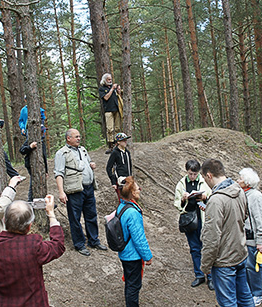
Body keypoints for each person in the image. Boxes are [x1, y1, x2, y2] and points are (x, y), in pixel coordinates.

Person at [0, 196, 64, 307]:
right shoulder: (34, 246)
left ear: (4, 220)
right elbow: (58, 245)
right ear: (29, 226)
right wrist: (51, 214)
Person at [200, 159, 254, 307]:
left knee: (228, 303)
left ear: (209, 175)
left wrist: (205, 265)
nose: (206, 182)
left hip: (224, 261)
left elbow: (212, 237)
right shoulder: (238, 190)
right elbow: (243, 216)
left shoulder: (216, 200)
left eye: (205, 179)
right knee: (245, 298)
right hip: (241, 253)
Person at [54, 128, 107, 256]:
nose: (79, 138)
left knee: (91, 215)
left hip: (88, 188)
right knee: (75, 218)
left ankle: (93, 240)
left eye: (79, 136)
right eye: (76, 136)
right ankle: (79, 244)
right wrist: (61, 192)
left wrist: (92, 164)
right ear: (68, 138)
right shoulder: (61, 153)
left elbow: (87, 162)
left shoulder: (82, 150)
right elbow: (59, 173)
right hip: (74, 190)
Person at [173, 160, 213, 290]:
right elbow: (176, 203)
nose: (192, 177)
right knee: (194, 247)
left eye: (195, 174)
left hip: (203, 218)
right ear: (187, 172)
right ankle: (199, 275)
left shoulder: (204, 181)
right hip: (190, 219)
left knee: (206, 247)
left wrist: (205, 197)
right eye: (190, 174)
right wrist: (183, 199)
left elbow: (213, 197)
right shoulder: (181, 183)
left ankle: (211, 276)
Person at [117, 176, 153, 307]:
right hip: (132, 256)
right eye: (138, 188)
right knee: (134, 286)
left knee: (129, 282)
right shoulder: (132, 212)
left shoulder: (121, 206)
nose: (139, 190)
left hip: (124, 254)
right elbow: (139, 238)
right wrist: (147, 256)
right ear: (132, 193)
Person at [238, 168, 262, 306]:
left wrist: (260, 240)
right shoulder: (243, 194)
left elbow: (260, 219)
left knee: (254, 266)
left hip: (253, 238)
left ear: (247, 181)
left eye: (240, 179)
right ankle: (251, 291)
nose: (238, 181)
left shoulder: (255, 196)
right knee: (247, 266)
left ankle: (259, 293)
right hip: (244, 238)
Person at [99, 73, 122, 153]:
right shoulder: (102, 89)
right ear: (104, 80)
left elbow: (119, 97)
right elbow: (106, 97)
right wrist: (112, 89)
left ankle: (118, 144)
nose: (110, 81)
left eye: (111, 79)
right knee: (110, 129)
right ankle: (110, 146)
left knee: (117, 128)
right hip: (108, 111)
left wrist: (118, 91)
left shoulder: (115, 88)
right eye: (108, 79)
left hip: (117, 110)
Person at [106, 132, 133, 199]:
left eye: (126, 140)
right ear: (118, 142)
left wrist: (131, 178)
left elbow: (130, 166)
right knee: (122, 198)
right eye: (123, 140)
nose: (125, 142)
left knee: (130, 197)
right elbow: (109, 167)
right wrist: (113, 182)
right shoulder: (115, 153)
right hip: (120, 180)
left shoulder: (127, 152)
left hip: (128, 179)